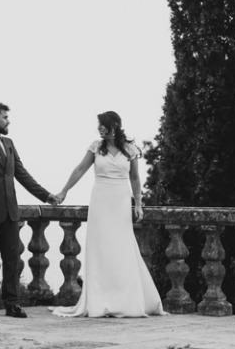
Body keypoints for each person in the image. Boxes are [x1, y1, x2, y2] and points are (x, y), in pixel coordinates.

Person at [49, 111, 164, 318]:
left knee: (121, 248)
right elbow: (80, 169)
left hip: (120, 201)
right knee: (101, 249)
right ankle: (101, 299)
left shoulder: (130, 149)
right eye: (99, 125)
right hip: (100, 201)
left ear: (115, 125)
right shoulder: (96, 147)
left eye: (103, 124)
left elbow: (135, 178)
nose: (99, 128)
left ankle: (125, 299)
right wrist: (64, 191)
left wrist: (138, 204)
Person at [0, 101, 59, 318]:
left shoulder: (8, 143)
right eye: (5, 117)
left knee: (12, 260)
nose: (8, 121)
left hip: (10, 212)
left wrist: (46, 196)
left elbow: (22, 174)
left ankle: (12, 303)